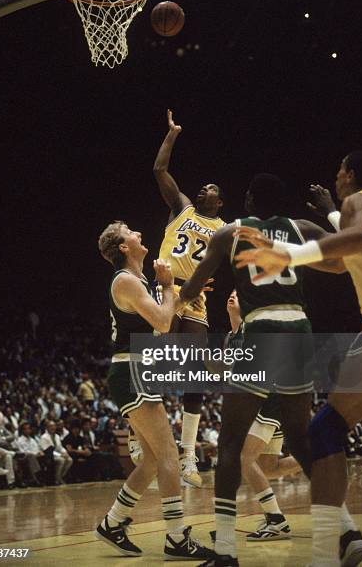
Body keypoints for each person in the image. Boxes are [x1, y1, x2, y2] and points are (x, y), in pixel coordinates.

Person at [177, 173, 358, 567]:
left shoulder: (232, 232)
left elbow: (193, 287)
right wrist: (330, 210)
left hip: (261, 329)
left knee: (229, 445)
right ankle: (346, 530)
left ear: (253, 201)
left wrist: (175, 295)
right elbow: (342, 266)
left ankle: (225, 550)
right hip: (299, 328)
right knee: (301, 438)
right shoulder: (301, 226)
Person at [234, 151, 362, 567]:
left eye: (338, 171)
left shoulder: (361, 202)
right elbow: (339, 263)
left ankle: (325, 555)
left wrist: (287, 256)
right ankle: (339, 542)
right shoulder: (361, 207)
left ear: (351, 174)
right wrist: (284, 245)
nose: (335, 178)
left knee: (325, 431)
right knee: (324, 430)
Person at [96, 220, 212, 560]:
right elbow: (163, 322)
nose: (139, 233)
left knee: (150, 461)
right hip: (133, 369)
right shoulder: (127, 281)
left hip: (134, 370)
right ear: (123, 247)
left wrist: (185, 291)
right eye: (131, 231)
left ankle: (113, 522)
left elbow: (163, 317)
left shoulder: (136, 282)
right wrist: (168, 288)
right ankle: (176, 538)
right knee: (169, 456)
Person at [154, 109, 225, 487]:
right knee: (154, 359)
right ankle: (139, 435)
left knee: (195, 372)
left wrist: (207, 277)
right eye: (201, 187)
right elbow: (160, 172)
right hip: (165, 285)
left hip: (195, 294)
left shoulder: (224, 229)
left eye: (210, 188)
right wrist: (173, 135)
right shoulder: (181, 207)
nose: (202, 190)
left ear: (221, 201)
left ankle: (188, 457)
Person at [226, 290, 301, 542]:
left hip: (269, 397)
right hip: (263, 400)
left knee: (243, 459)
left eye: (238, 294)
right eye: (232, 293)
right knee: (268, 467)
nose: (233, 296)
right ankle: (317, 455)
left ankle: (276, 520)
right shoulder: (233, 336)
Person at [39, 420, 73, 485]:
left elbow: (60, 447)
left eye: (54, 426)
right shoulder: (44, 437)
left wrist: (65, 452)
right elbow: (47, 450)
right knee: (61, 460)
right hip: (48, 456)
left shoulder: (57, 436)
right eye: (50, 426)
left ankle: (60, 477)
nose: (53, 428)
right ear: (47, 427)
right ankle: (57, 479)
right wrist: (60, 455)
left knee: (70, 460)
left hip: (57, 454)